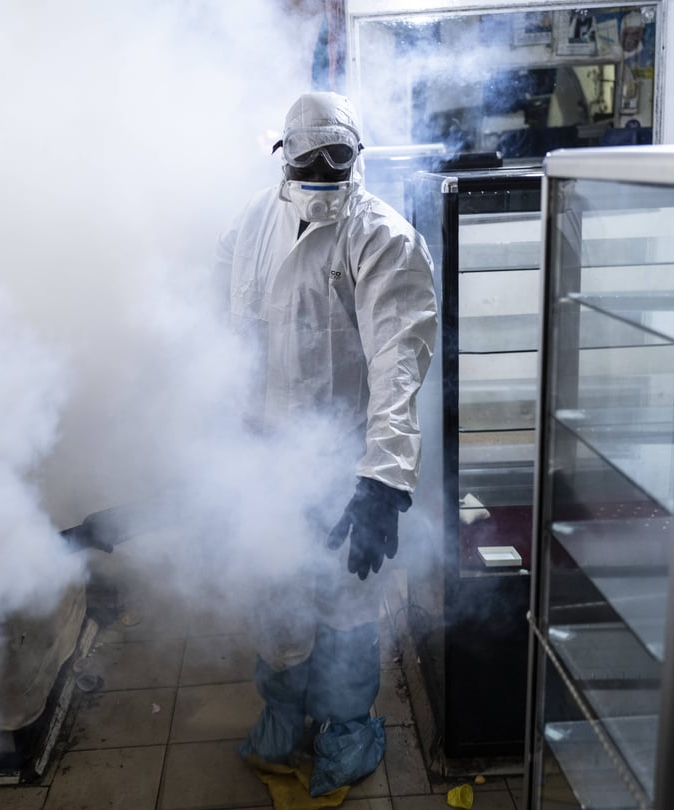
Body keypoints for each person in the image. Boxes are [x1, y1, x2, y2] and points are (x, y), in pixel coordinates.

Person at [214, 91, 437, 796]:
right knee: (275, 588)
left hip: (346, 462)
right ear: (282, 156)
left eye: (337, 156)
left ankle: (346, 728)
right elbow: (220, 324)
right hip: (265, 456)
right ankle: (283, 716)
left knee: (343, 604)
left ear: (358, 155)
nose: (322, 170)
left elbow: (399, 362)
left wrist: (384, 479)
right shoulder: (254, 220)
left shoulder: (380, 236)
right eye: (307, 156)